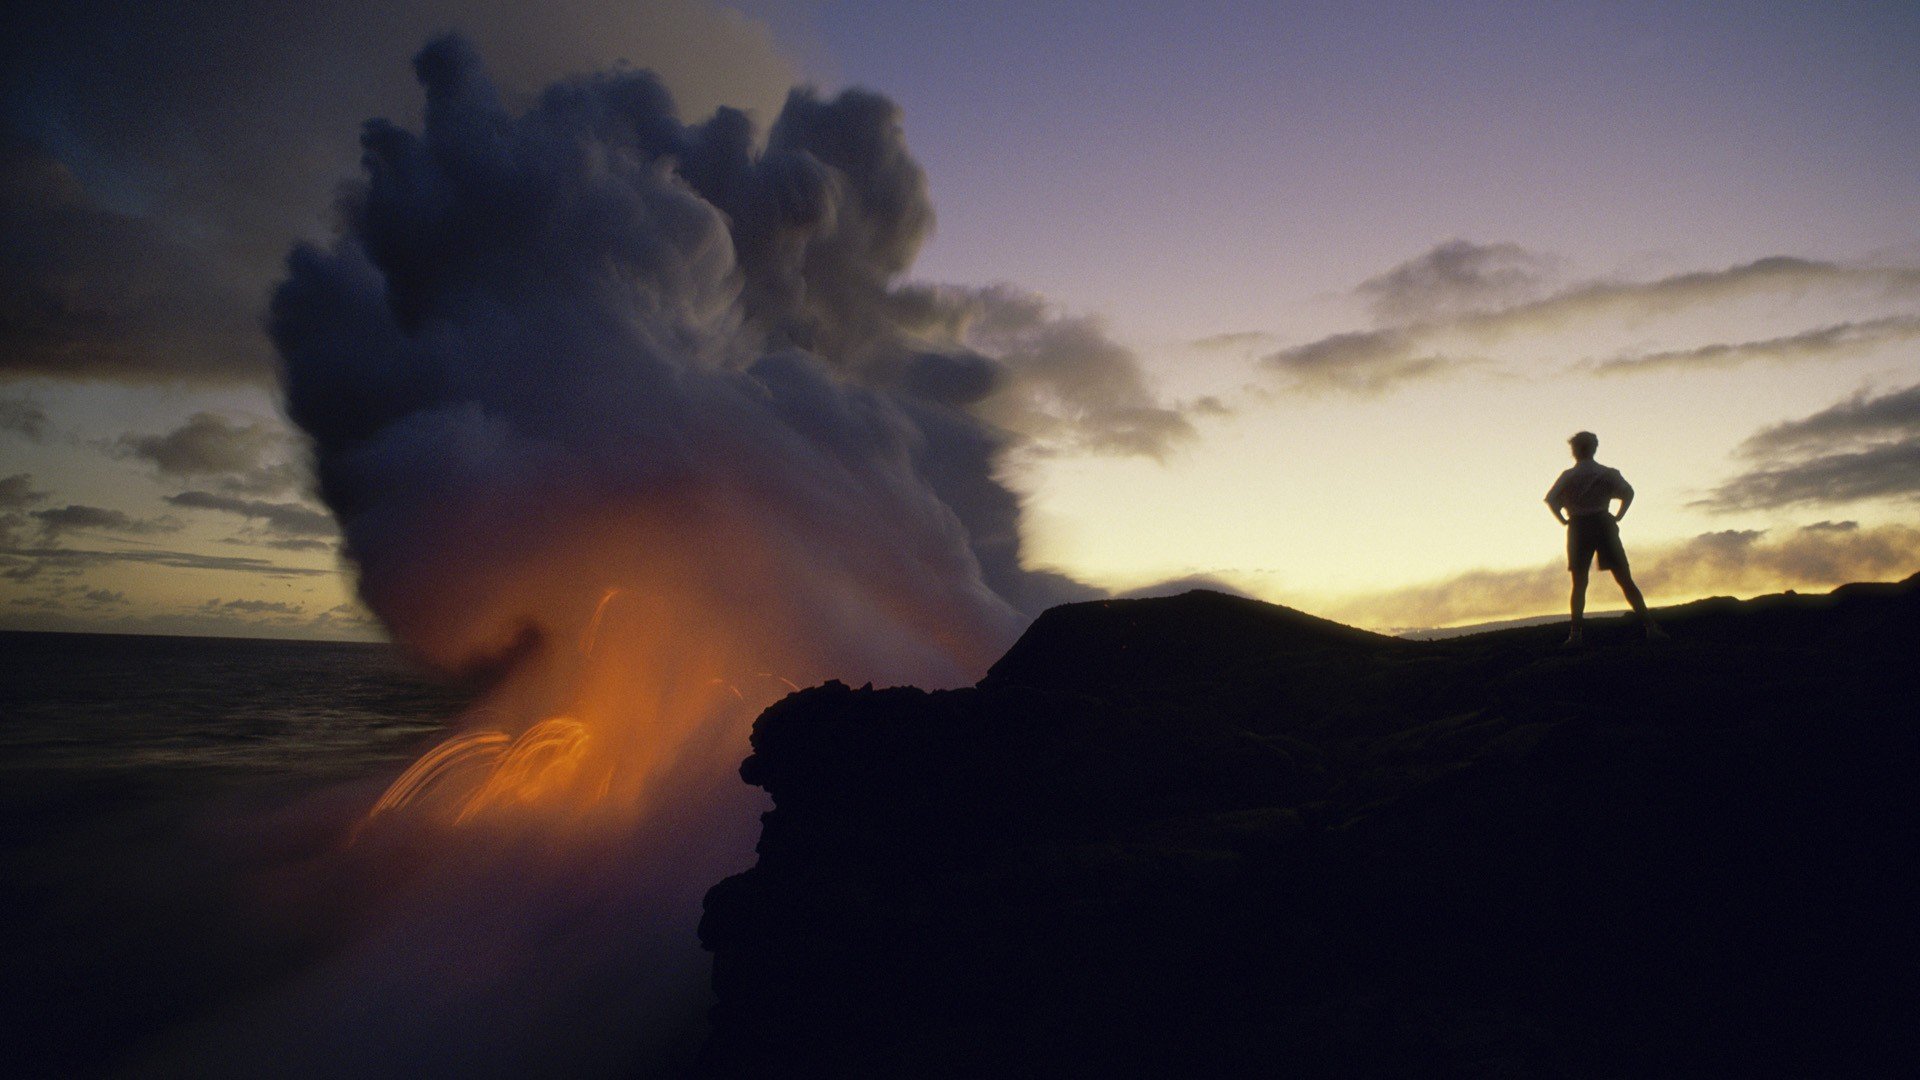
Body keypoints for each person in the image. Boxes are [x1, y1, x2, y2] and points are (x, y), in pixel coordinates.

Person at [1545, 431, 1665, 647]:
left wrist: (1563, 520)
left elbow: (1552, 500)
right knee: (1624, 579)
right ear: (1594, 448)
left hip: (1578, 527)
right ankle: (1650, 627)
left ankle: (1576, 635)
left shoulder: (1568, 476)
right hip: (1603, 524)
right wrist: (1618, 516)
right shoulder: (1607, 473)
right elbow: (1628, 493)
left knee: (1579, 583)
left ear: (1574, 450)